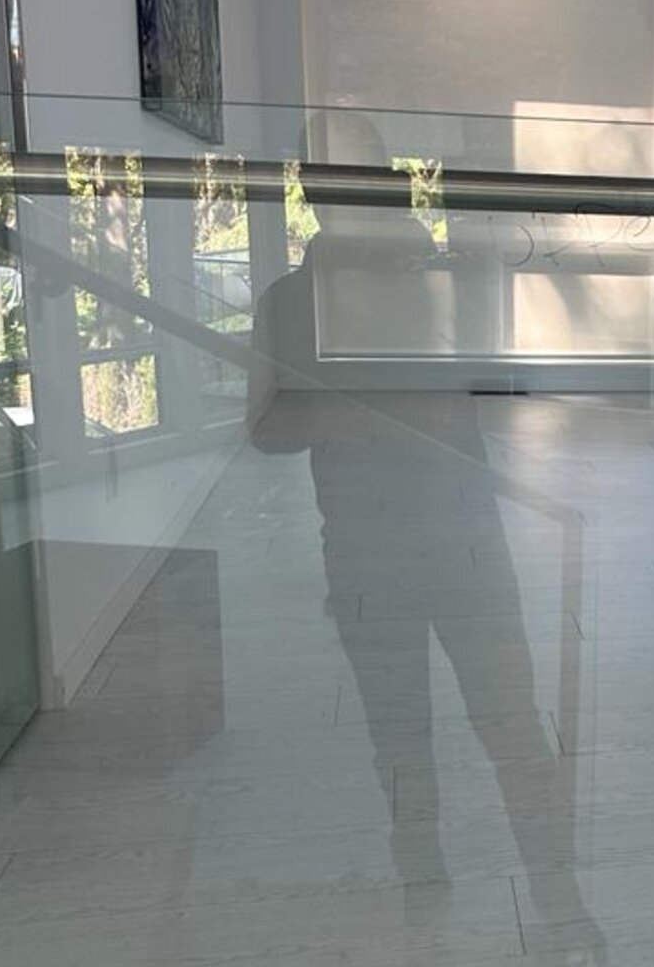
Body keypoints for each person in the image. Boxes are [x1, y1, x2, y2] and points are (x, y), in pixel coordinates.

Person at [247, 111, 603, 953]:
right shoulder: (292, 302)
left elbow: (502, 381)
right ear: (313, 195)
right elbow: (266, 429)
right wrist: (339, 394)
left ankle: (554, 894)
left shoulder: (443, 276)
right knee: (402, 730)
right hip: (371, 546)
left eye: (371, 174)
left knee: (510, 720)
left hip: (463, 534)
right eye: (337, 179)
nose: (360, 193)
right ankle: (425, 878)